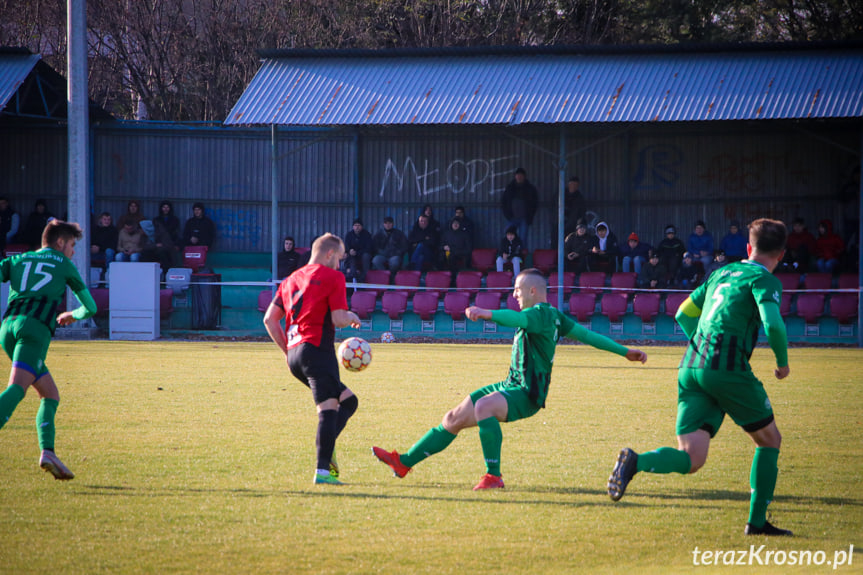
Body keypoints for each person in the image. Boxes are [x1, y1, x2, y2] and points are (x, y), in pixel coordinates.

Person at [372, 268, 647, 490]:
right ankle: (404, 462)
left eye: (517, 289)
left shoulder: (538, 314)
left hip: (527, 393)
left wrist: (487, 313)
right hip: (510, 385)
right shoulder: (554, 316)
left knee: (484, 408)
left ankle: (494, 476)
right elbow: (588, 336)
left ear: (532, 290)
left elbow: (515, 319)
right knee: (453, 418)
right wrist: (624, 352)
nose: (514, 294)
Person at [608, 218, 792, 537]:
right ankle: (757, 522)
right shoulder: (764, 279)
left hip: (691, 366)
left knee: (691, 458)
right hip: (727, 368)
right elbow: (773, 325)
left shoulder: (720, 273)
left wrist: (701, 347)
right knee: (769, 440)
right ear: (781, 254)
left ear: (748, 248)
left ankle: (636, 461)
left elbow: (682, 313)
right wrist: (782, 363)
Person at [0, 220, 97, 480]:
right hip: (34, 331)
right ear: (60, 243)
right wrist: (73, 315)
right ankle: (47, 453)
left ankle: (48, 452)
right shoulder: (64, 264)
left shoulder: (20, 258)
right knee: (16, 389)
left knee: (50, 394)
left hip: (8, 328)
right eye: (72, 245)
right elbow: (90, 307)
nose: (73, 252)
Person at [263, 233, 362, 485]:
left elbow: (269, 319)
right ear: (329, 254)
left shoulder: (289, 279)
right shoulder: (333, 276)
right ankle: (323, 472)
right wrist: (352, 315)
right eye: (339, 258)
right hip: (317, 349)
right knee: (328, 412)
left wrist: (288, 353)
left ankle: (326, 447)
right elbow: (338, 318)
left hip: (296, 354)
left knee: (348, 402)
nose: (340, 265)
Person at [501, 167, 538, 248]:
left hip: (524, 219)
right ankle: (507, 254)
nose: (519, 177)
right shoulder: (510, 188)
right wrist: (507, 215)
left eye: (521, 175)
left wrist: (530, 216)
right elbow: (503, 202)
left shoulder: (530, 188)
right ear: (515, 176)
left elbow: (534, 204)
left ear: (524, 177)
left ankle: (522, 258)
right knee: (507, 237)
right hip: (512, 218)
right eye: (518, 175)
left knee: (523, 240)